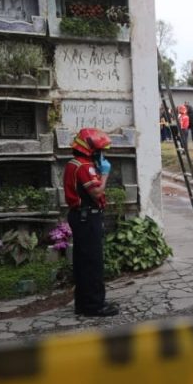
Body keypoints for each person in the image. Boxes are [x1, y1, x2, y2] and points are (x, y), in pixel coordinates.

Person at [64, 128, 119, 317]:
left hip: (80, 216)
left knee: (83, 262)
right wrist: (105, 174)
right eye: (99, 151)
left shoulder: (74, 163)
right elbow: (97, 192)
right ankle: (94, 306)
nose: (101, 154)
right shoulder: (85, 166)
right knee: (92, 262)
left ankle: (84, 303)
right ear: (90, 150)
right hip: (87, 217)